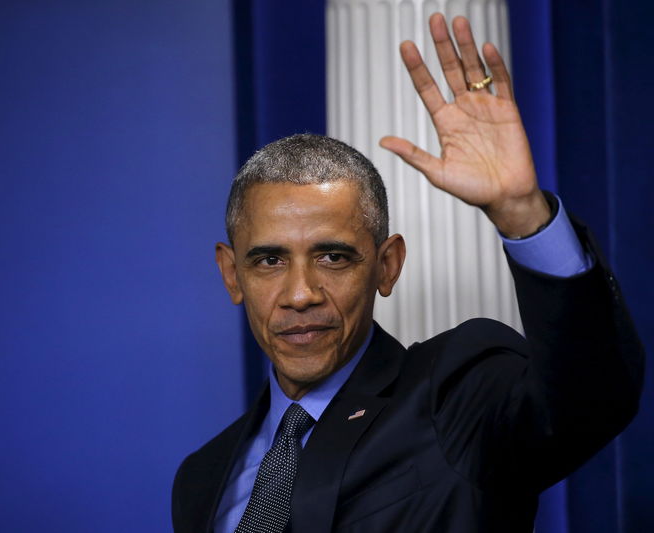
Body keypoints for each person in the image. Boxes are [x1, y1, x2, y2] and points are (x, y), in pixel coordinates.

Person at [172, 13, 644, 533]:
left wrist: (522, 213)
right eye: (269, 261)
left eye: (333, 257)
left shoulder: (458, 396)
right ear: (231, 274)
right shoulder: (202, 477)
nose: (300, 294)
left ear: (387, 266)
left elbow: (591, 400)